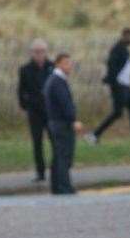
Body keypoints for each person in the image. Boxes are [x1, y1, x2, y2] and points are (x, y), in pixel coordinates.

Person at [88, 27, 130, 145]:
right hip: (119, 86)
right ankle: (94, 135)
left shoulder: (125, 50)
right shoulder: (117, 49)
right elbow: (111, 67)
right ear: (123, 36)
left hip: (126, 86)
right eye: (129, 37)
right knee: (117, 113)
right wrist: (113, 83)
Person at [43, 52, 85, 195]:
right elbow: (65, 104)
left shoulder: (53, 80)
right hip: (61, 124)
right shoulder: (57, 81)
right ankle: (64, 187)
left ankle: (57, 186)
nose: (70, 66)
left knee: (58, 156)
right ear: (58, 64)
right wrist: (73, 120)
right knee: (63, 156)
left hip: (55, 123)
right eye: (67, 63)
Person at [17, 38, 54, 182]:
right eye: (37, 52)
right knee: (37, 143)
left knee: (55, 140)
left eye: (42, 51)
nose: (39, 54)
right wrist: (25, 105)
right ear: (32, 53)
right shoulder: (25, 70)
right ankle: (40, 172)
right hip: (35, 112)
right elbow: (21, 90)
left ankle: (57, 170)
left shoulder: (52, 67)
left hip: (50, 111)